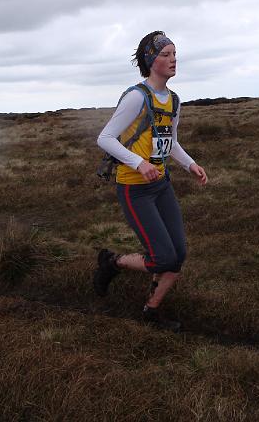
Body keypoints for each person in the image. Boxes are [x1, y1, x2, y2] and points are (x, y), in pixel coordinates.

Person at [94, 30, 208, 331]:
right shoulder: (136, 97)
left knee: (177, 255)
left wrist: (190, 165)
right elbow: (105, 138)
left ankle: (151, 311)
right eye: (166, 55)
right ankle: (112, 262)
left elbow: (171, 141)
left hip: (161, 186)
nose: (173, 60)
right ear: (150, 60)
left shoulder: (173, 100)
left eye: (174, 54)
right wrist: (138, 162)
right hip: (134, 189)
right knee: (162, 256)